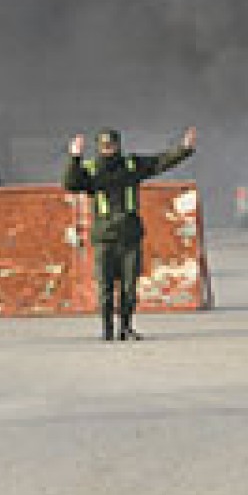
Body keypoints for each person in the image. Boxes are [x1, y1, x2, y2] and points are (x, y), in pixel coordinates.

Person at [63, 127, 196, 341]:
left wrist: (184, 149)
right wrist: (74, 157)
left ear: (118, 145)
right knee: (105, 287)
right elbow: (70, 183)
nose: (109, 150)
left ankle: (125, 327)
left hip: (130, 235)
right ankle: (107, 330)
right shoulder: (91, 169)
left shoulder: (131, 165)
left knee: (129, 286)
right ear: (99, 147)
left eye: (112, 145)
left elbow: (160, 162)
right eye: (105, 146)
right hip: (104, 237)